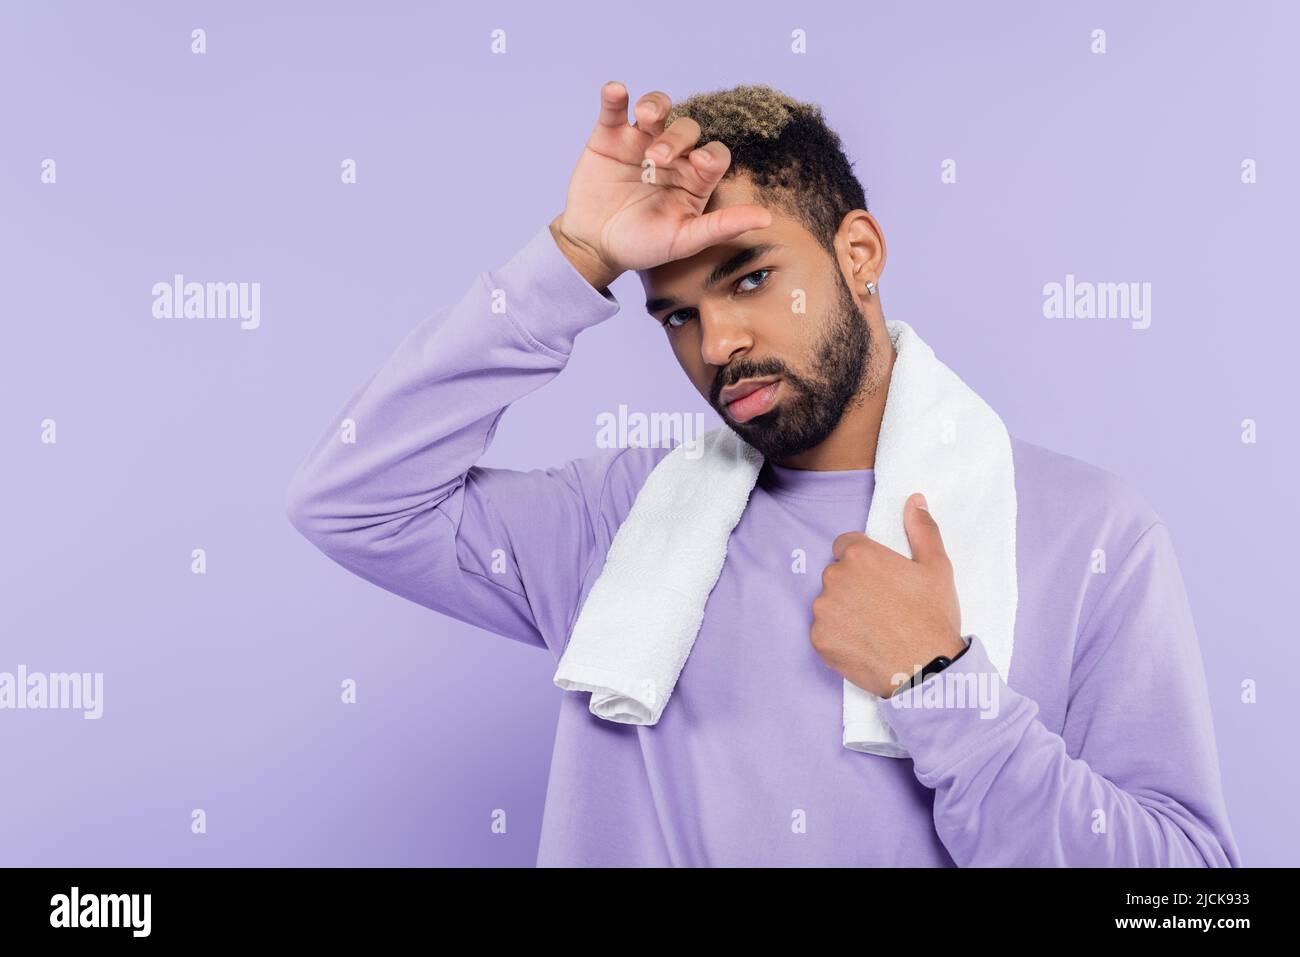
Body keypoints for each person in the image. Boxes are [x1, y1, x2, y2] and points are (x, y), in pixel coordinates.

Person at [285, 81, 1241, 867]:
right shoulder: (616, 520)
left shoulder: (1091, 533)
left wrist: (941, 689)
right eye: (676, 315)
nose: (719, 341)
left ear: (857, 254)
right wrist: (572, 258)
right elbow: (352, 499)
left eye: (748, 277)